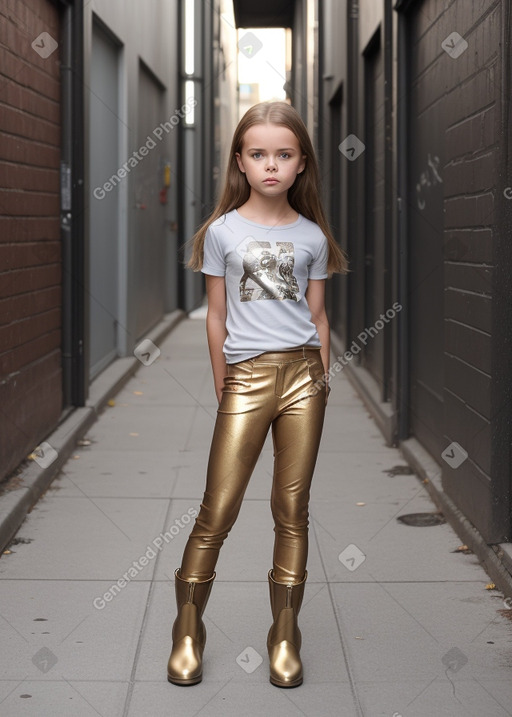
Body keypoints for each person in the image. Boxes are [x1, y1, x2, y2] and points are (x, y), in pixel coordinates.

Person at [167, 101, 349, 688]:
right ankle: (188, 630)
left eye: (284, 154)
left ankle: (285, 634)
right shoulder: (221, 232)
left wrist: (322, 378)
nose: (271, 165)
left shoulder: (314, 237)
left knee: (291, 512)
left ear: (301, 165)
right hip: (245, 378)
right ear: (240, 163)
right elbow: (216, 318)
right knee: (215, 511)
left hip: (303, 378)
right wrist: (225, 384)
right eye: (259, 154)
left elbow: (318, 318)